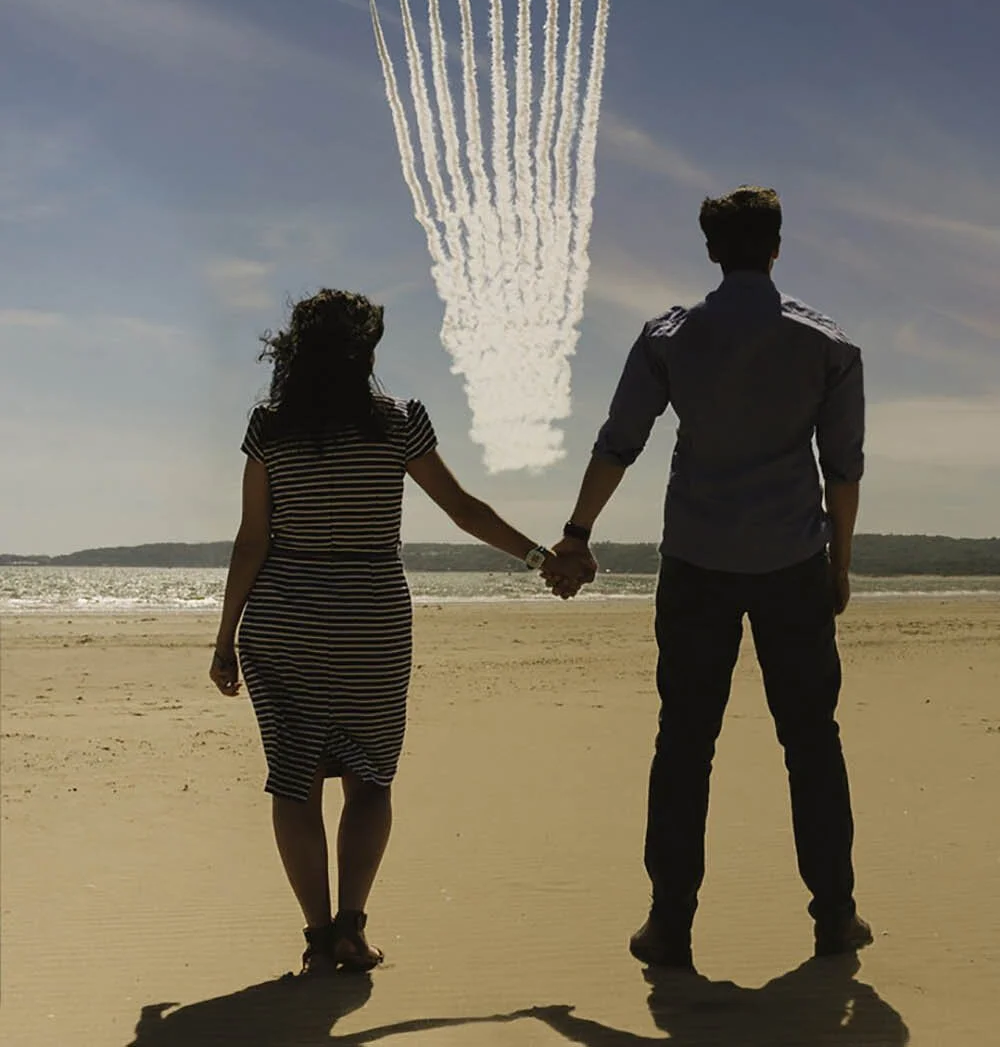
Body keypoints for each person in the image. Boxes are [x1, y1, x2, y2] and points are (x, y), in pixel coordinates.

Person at [544, 186, 872, 970]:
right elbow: (843, 470)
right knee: (812, 742)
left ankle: (670, 925)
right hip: (791, 561)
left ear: (712, 251)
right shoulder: (826, 344)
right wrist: (839, 562)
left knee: (686, 744)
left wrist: (578, 532)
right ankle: (834, 917)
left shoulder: (671, 338)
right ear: (778, 246)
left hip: (696, 562)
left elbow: (619, 440)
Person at [209, 289, 563, 974]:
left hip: (284, 619)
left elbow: (252, 539)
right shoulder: (398, 421)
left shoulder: (269, 425)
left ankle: (316, 938)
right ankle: (351, 928)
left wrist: (224, 638)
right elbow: (462, 509)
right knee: (370, 779)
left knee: (294, 779)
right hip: (371, 618)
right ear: (365, 350)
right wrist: (538, 557)